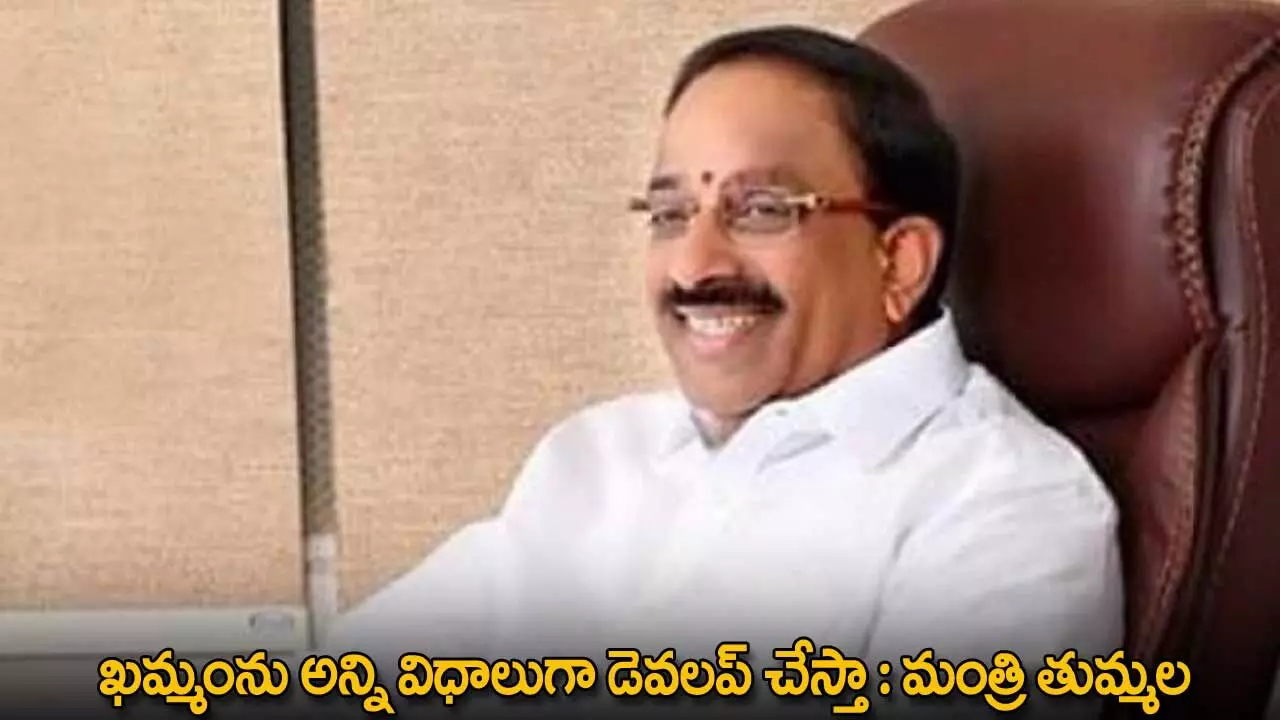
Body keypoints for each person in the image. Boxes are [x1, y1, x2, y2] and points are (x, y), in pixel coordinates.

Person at [326, 24, 1123, 716]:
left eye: (762, 210)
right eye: (671, 214)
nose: (693, 265)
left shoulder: (1005, 506)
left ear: (899, 261)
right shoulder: (601, 458)